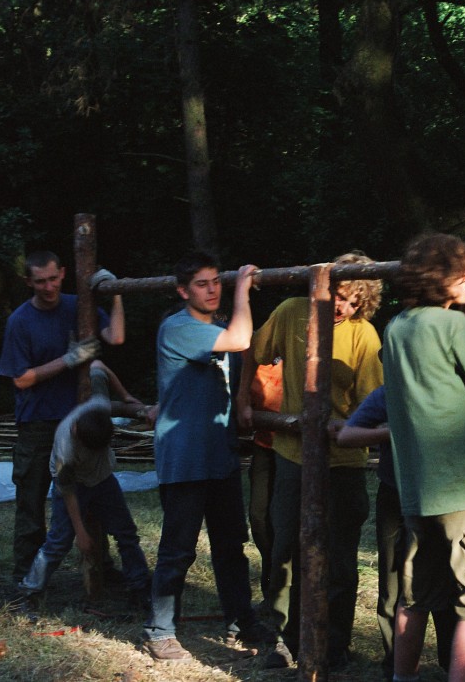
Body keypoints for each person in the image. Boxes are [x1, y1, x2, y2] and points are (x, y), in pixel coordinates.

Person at [237, 251, 384, 670]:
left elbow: (372, 402)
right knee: (285, 547)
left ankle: (333, 644)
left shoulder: (364, 336)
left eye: (352, 302)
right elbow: (252, 349)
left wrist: (348, 428)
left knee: (339, 557)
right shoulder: (291, 312)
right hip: (291, 454)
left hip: (343, 461)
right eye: (338, 295)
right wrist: (243, 397)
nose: (342, 306)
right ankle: (286, 639)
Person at [381, 233, 465, 682]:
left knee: (416, 594)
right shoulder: (452, 327)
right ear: (442, 278)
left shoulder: (398, 327)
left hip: (415, 487)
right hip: (460, 487)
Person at [142, 251, 271, 663]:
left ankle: (241, 622)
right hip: (184, 457)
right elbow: (241, 339)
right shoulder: (178, 327)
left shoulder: (214, 329)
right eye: (202, 284)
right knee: (178, 549)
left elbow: (241, 358)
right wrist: (243, 289)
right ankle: (160, 631)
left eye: (217, 281)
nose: (212, 290)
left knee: (231, 545)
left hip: (220, 455)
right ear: (184, 291)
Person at [0, 250, 125, 583]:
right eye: (40, 281)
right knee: (32, 500)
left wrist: (115, 293)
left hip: (79, 423)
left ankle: (101, 569)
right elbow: (21, 378)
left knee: (92, 495)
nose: (49, 287)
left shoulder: (78, 307)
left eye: (53, 279)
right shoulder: (20, 321)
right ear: (28, 282)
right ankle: (25, 577)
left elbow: (116, 336)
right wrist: (68, 360)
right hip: (38, 422)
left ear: (63, 273)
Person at [332, 385, 457, 679]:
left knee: (445, 578)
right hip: (396, 491)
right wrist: (393, 432)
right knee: (393, 580)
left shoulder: (449, 387)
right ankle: (396, 663)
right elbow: (348, 435)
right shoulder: (389, 392)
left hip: (442, 493)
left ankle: (451, 662)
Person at [16, 361, 151, 608]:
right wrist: (80, 533)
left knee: (126, 534)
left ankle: (140, 587)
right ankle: (31, 591)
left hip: (103, 479)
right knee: (58, 541)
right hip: (74, 485)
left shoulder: (98, 406)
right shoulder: (65, 450)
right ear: (76, 430)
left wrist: (127, 397)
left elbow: (99, 366)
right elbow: (67, 491)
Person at [246, 357, 283, 603]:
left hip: (296, 447)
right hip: (264, 446)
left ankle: (280, 594)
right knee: (259, 517)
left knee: (285, 521)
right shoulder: (252, 362)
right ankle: (271, 590)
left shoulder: (302, 357)